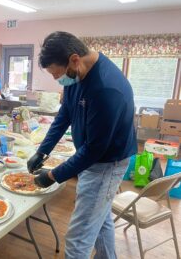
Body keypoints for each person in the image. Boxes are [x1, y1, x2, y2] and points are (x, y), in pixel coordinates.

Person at [27, 31, 137, 259]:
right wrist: (43, 150)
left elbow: (94, 150)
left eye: (58, 75)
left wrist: (53, 176)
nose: (59, 81)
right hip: (93, 156)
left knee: (78, 238)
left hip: (107, 163)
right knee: (100, 218)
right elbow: (64, 114)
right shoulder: (76, 74)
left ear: (74, 59)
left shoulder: (107, 88)